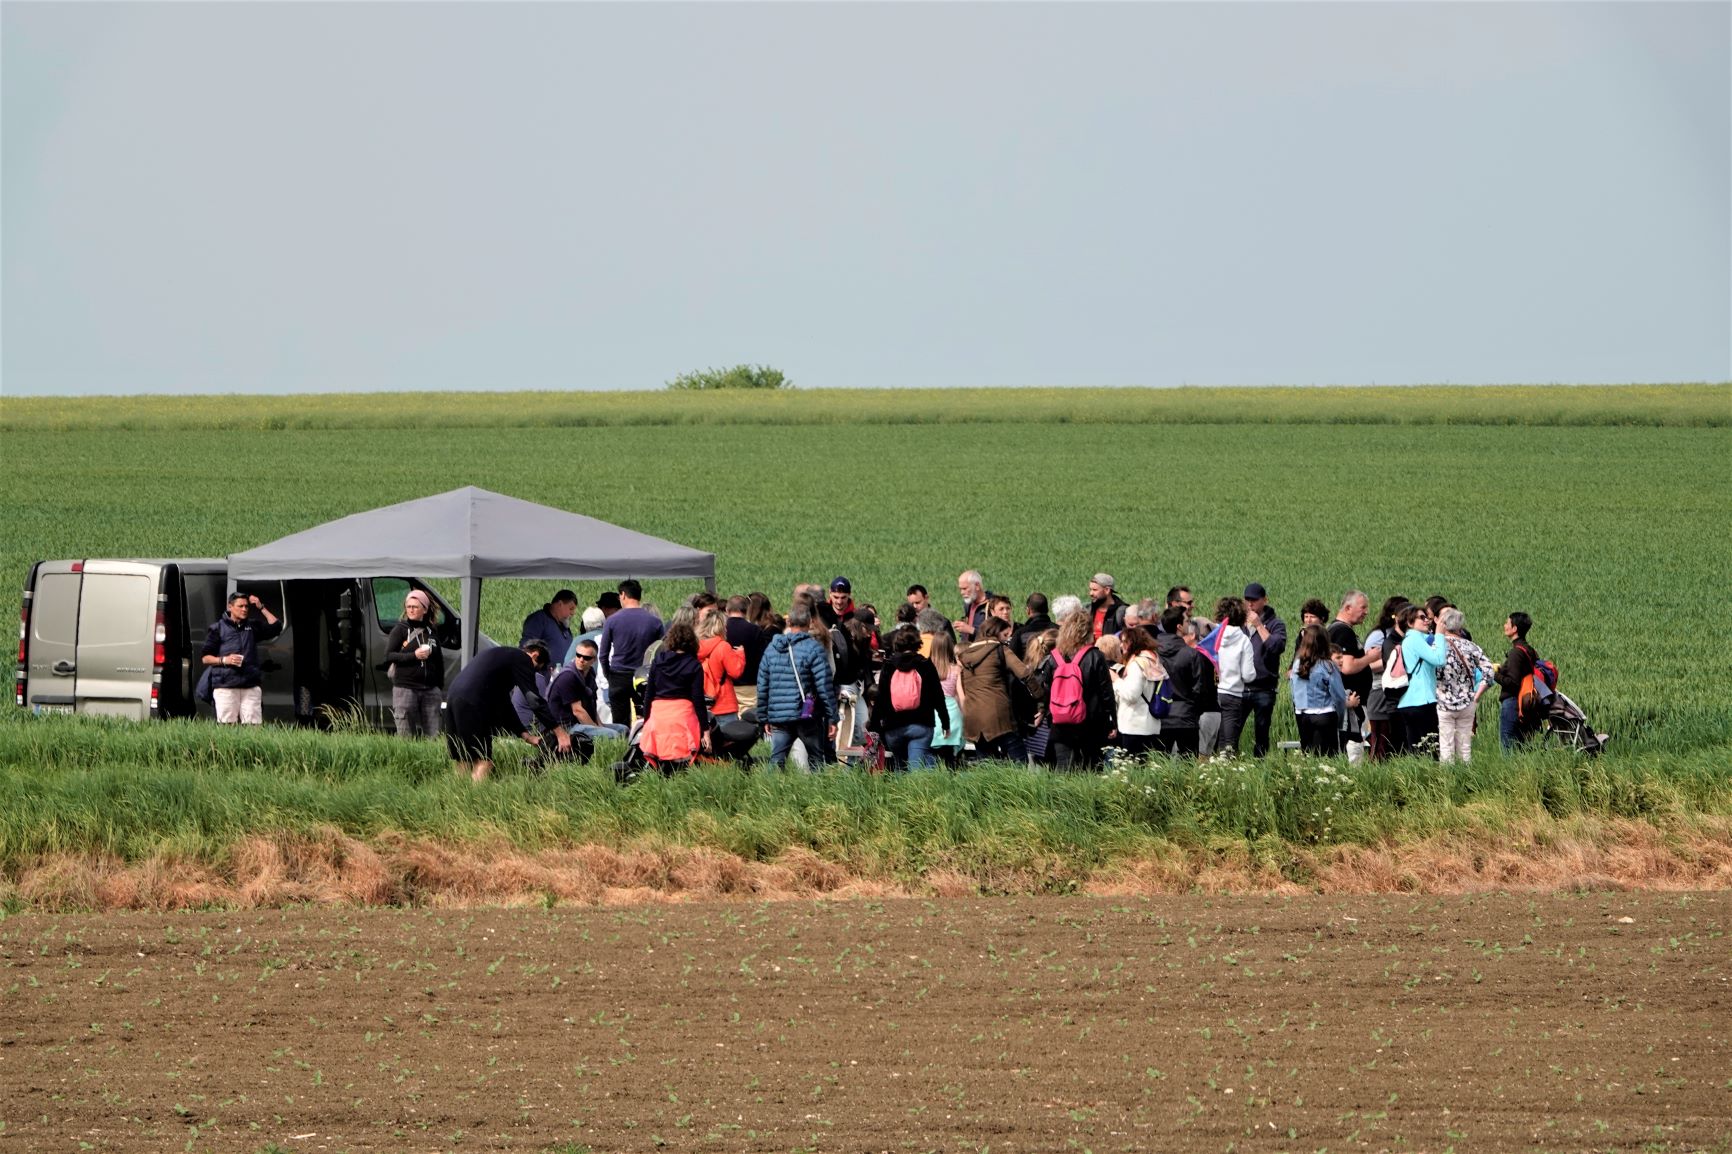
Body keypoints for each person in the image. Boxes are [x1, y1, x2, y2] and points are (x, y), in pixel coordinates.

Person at [445, 641, 569, 782]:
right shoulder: (523, 659)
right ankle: (474, 800)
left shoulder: (501, 656)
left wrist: (526, 736)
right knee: (484, 761)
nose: (531, 673)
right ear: (535, 655)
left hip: (453, 699)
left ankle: (457, 794)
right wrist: (560, 733)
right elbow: (534, 700)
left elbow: (504, 704)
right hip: (473, 704)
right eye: (535, 670)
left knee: (464, 759)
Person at [755, 602, 836, 771]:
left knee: (776, 760)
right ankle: (817, 794)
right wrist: (832, 717)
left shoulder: (772, 649)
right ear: (810, 623)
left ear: (789, 623)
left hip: (779, 717)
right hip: (806, 715)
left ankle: (770, 793)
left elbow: (762, 686)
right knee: (816, 758)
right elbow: (824, 686)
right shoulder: (814, 649)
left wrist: (764, 717)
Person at [1036, 608, 1113, 771]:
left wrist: (1046, 712)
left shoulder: (1053, 657)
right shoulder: (1095, 656)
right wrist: (1111, 721)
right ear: (1088, 632)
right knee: (1091, 769)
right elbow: (1106, 693)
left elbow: (1044, 688)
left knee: (1063, 769)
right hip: (1091, 723)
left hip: (1061, 722)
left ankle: (1062, 797)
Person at [867, 626, 951, 771]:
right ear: (918, 643)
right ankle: (914, 793)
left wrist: (875, 726)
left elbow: (881, 698)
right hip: (921, 725)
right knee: (916, 770)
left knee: (900, 766)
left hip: (893, 727)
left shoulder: (889, 665)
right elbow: (938, 696)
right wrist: (945, 723)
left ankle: (900, 792)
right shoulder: (925, 664)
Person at [957, 616, 1032, 763]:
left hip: (973, 718)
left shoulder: (965, 655)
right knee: (1019, 759)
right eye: (1004, 635)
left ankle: (990, 786)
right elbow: (1024, 673)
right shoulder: (1000, 650)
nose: (1007, 639)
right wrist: (1041, 697)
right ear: (995, 633)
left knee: (986, 764)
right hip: (998, 716)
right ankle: (1019, 786)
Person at [200, 592, 283, 725]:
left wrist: (261, 607)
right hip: (225, 684)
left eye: (246, 606)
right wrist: (224, 660)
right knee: (226, 726)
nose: (244, 609)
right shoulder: (217, 628)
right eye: (240, 606)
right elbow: (205, 658)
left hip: (250, 684)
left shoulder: (252, 626)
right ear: (230, 607)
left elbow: (276, 627)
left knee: (253, 726)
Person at [640, 622, 710, 766]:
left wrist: (647, 721)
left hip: (658, 716)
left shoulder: (658, 661)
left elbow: (649, 694)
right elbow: (698, 700)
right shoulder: (694, 665)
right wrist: (705, 730)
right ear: (692, 642)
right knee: (683, 764)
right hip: (682, 718)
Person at [598, 579, 664, 729]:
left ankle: (622, 748)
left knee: (620, 722)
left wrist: (609, 674)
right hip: (644, 676)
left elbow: (603, 654)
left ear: (623, 595)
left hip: (618, 675)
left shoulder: (612, 621)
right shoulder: (654, 622)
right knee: (646, 717)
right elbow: (661, 650)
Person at [1435, 607, 1497, 763]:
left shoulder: (1437, 646)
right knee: (1464, 746)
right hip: (1468, 702)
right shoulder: (1471, 646)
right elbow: (1489, 671)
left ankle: (1448, 781)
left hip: (1443, 702)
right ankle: (1466, 778)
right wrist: (1477, 694)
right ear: (1459, 627)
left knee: (1446, 746)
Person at [383, 588, 444, 738]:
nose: (411, 610)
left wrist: (438, 687)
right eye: (408, 607)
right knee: (405, 737)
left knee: (433, 737)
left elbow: (439, 661)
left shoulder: (431, 632)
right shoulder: (400, 630)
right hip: (405, 689)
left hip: (430, 691)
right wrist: (414, 655)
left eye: (415, 607)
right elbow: (389, 656)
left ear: (424, 609)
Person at [1150, 607, 1211, 756]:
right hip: (1186, 717)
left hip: (1160, 715)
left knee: (1160, 765)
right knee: (1189, 767)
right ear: (1179, 626)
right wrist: (1194, 711)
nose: (1188, 623)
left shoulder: (1153, 654)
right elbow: (1200, 689)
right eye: (1186, 621)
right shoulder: (1191, 654)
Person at [547, 640, 627, 744]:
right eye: (578, 655)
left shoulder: (590, 673)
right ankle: (605, 757)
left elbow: (591, 704)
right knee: (612, 735)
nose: (581, 660)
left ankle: (625, 757)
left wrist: (599, 724)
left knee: (623, 729)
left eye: (586, 658)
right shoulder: (568, 676)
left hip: (580, 723)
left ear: (593, 660)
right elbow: (578, 711)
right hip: (565, 726)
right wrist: (599, 730)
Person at [1395, 603, 1449, 757]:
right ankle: (1431, 778)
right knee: (1430, 749)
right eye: (1421, 618)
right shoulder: (1413, 639)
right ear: (1410, 623)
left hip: (1410, 701)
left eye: (1427, 617)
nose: (1427, 620)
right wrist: (1439, 634)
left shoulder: (1415, 639)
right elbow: (1439, 659)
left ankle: (1419, 778)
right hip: (1421, 700)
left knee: (1418, 749)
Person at [1242, 583, 1288, 758]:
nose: (1250, 604)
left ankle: (1260, 763)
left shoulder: (1276, 624)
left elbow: (1276, 647)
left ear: (1264, 600)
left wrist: (1259, 626)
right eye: (1247, 599)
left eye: (1254, 600)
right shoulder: (1239, 624)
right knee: (1233, 729)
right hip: (1241, 687)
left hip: (1264, 687)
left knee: (1262, 732)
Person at [1362, 595, 1409, 760]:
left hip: (1398, 691)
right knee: (1381, 738)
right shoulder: (1380, 635)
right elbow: (1367, 665)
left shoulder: (1405, 636)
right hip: (1379, 689)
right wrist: (1392, 662)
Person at [1289, 624, 1347, 754]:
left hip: (1303, 715)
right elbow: (1339, 696)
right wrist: (1340, 718)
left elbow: (1293, 690)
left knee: (1308, 754)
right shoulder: (1327, 665)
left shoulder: (1297, 664)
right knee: (1327, 755)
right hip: (1324, 713)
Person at [1211, 596, 1257, 756]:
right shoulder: (1244, 640)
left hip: (1213, 693)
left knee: (1211, 741)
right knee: (1228, 744)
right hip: (1233, 694)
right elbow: (1248, 675)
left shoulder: (1213, 637)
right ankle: (1225, 771)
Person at [1327, 592, 1372, 752]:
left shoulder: (1336, 629)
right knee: (1354, 740)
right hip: (1351, 700)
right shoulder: (1343, 632)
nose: (1366, 612)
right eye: (1363, 607)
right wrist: (1370, 657)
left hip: (1351, 698)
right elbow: (1347, 667)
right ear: (1348, 607)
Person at [1493, 611, 1543, 751]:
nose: (1504, 625)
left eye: (1507, 623)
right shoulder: (1530, 650)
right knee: (1521, 748)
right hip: (1527, 705)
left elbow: (1513, 683)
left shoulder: (1516, 652)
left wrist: (1493, 674)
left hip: (1513, 704)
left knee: (1508, 748)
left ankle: (1507, 772)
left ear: (1514, 629)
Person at [1110, 626, 1163, 755]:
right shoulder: (1152, 660)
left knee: (1132, 769)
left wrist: (1116, 679)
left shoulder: (1136, 665)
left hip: (1134, 725)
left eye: (1124, 641)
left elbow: (1131, 694)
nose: (1121, 646)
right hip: (1149, 724)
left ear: (1132, 643)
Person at [697, 608, 747, 725]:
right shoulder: (723, 646)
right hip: (724, 703)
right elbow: (735, 671)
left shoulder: (696, 647)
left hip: (704, 704)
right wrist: (740, 654)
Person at [926, 627, 965, 768]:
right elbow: (961, 696)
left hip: (933, 715)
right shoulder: (956, 669)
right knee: (951, 759)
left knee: (933, 757)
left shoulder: (926, 668)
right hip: (953, 715)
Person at [1186, 616, 1222, 756]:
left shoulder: (1195, 656)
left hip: (1204, 714)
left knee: (1199, 757)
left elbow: (1200, 688)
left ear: (1192, 635)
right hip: (1215, 712)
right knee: (1206, 757)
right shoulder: (1210, 655)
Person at [520, 590, 578, 661]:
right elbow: (527, 648)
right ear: (560, 604)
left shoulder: (564, 626)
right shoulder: (539, 619)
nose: (573, 613)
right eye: (571, 609)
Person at [1086, 573, 1128, 641]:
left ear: (1107, 590)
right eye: (1090, 589)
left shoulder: (1121, 612)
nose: (1091, 593)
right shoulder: (1088, 610)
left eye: (1095, 590)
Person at [1012, 593, 1055, 658]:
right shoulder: (1059, 630)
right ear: (1047, 610)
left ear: (1028, 610)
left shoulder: (1020, 633)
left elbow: (1012, 659)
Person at [955, 570, 988, 642]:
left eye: (965, 588)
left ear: (977, 586)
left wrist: (971, 630)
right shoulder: (968, 604)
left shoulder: (993, 605)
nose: (962, 593)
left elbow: (996, 634)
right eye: (960, 589)